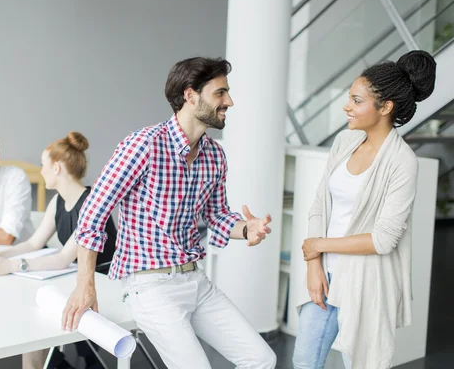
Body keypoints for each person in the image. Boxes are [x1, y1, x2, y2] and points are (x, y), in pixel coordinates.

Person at [61, 57, 277, 369]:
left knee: (261, 359)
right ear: (191, 95)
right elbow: (93, 212)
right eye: (220, 93)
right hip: (151, 286)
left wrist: (247, 228)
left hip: (195, 280)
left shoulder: (214, 154)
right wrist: (85, 285)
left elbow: (218, 217)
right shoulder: (143, 145)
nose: (229, 101)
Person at [293, 50, 437, 369]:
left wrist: (318, 246)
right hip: (326, 274)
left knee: (361, 362)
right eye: (349, 98)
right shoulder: (345, 142)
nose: (347, 106)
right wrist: (314, 265)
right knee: (304, 358)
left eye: (357, 101)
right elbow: (320, 205)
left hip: (367, 282)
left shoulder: (402, 163)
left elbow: (383, 239)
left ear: (385, 107)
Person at [0, 131, 116, 369]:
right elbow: (33, 244)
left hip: (102, 285)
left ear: (57, 167)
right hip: (74, 279)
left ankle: (55, 362)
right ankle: (50, 363)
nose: (41, 171)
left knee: (34, 306)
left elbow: (63, 258)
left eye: (43, 165)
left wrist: (11, 266)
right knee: (30, 305)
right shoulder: (58, 200)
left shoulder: (91, 203)